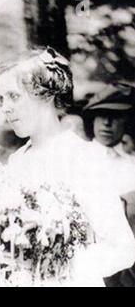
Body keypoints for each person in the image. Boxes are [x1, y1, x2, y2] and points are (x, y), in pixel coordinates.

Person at [0, 46, 135, 286]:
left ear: (46, 95)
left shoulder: (83, 156)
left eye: (14, 96)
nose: (5, 107)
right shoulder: (16, 160)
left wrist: (57, 264)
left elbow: (123, 248)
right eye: (1, 99)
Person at [82, 83, 135, 286]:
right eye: (101, 115)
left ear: (127, 122)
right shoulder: (76, 157)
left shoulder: (130, 164)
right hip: (89, 255)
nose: (107, 123)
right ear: (91, 119)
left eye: (116, 117)